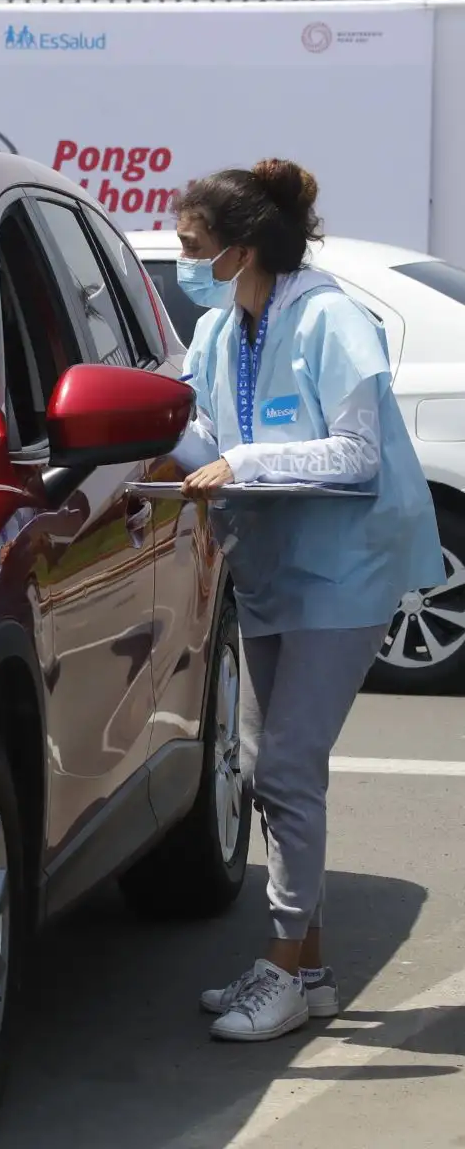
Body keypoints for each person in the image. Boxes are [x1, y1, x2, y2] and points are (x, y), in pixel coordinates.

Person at [171, 159, 443, 1043]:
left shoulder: (330, 319)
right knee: (265, 769)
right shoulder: (220, 330)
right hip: (271, 569)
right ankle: (310, 973)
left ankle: (283, 968)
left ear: (241, 250)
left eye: (193, 247)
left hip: (346, 572)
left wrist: (241, 462)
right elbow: (207, 431)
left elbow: (356, 454)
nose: (186, 262)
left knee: (286, 768)